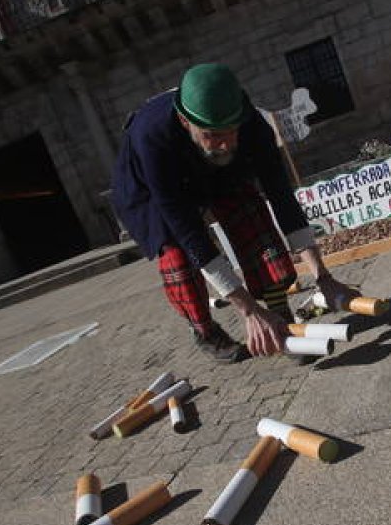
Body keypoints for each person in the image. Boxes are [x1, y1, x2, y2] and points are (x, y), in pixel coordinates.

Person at [112, 63, 358, 363]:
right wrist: (248, 310)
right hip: (150, 190)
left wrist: (323, 277)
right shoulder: (152, 138)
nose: (227, 142)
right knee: (178, 254)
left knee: (251, 215)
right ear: (184, 121)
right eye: (213, 134)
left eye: (232, 131)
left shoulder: (253, 126)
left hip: (214, 170)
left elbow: (281, 198)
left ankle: (279, 316)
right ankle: (205, 331)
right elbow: (190, 232)